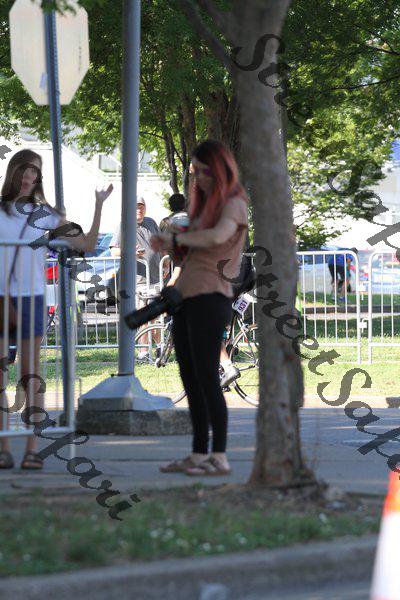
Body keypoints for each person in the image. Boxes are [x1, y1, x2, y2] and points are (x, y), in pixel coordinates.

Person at [0, 149, 113, 469]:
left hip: (32, 297)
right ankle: (3, 447)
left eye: (34, 171)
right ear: (13, 170)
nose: (28, 176)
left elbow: (86, 244)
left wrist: (98, 206)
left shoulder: (45, 214)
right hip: (1, 298)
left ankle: (32, 449)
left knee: (30, 375)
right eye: (24, 169)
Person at [151, 139, 248, 477]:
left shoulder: (234, 203)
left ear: (220, 169)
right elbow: (191, 250)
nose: (199, 178)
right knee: (190, 378)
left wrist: (177, 239)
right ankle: (197, 454)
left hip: (211, 297)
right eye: (194, 172)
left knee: (207, 378)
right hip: (186, 297)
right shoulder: (202, 207)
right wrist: (172, 248)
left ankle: (219, 456)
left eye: (204, 171)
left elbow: (217, 237)